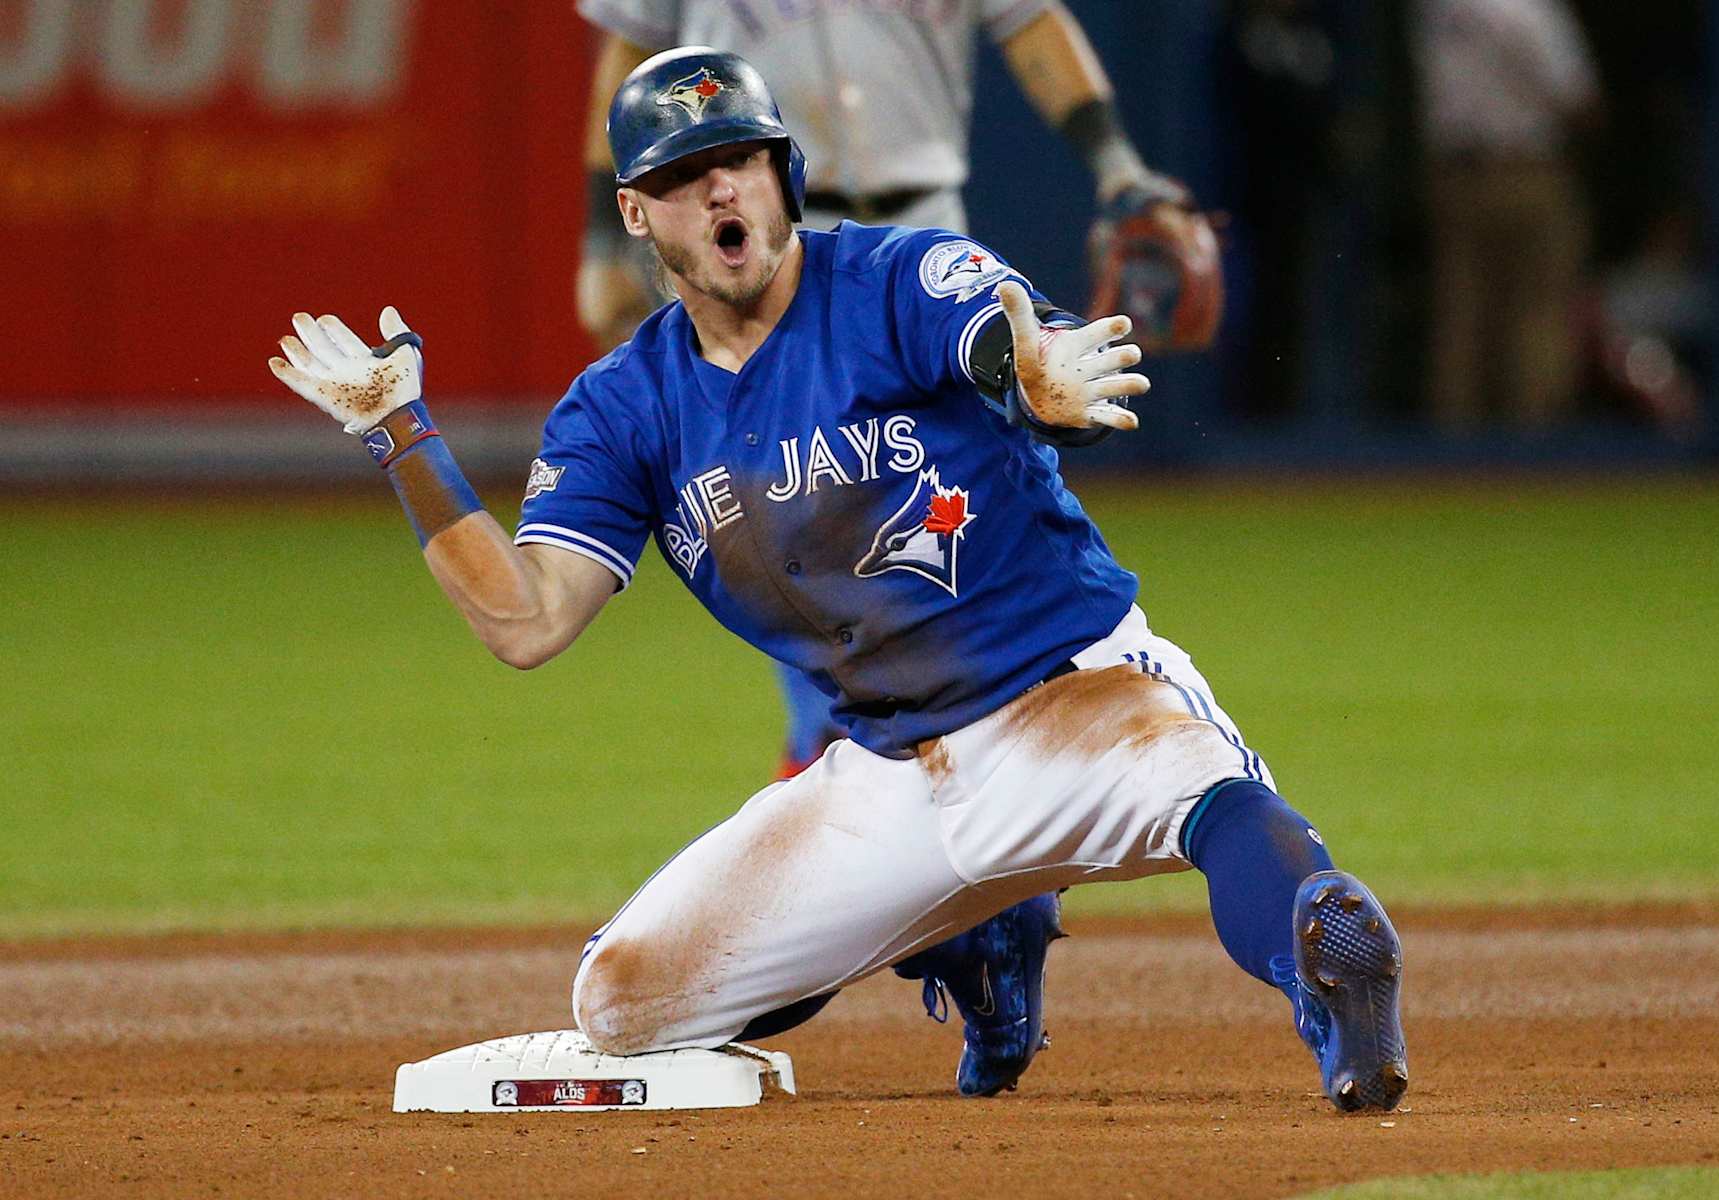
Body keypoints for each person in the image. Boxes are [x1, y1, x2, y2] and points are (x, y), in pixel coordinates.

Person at [269, 48, 1405, 1110]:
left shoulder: (892, 276)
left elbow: (1003, 333)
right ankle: (979, 941)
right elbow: (524, 622)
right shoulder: (624, 407)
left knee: (1220, 806)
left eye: (742, 163)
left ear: (784, 175)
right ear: (634, 214)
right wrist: (403, 441)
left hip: (1073, 698)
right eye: (684, 177)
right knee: (619, 1003)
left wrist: (1039, 369)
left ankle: (1337, 981)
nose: (723, 195)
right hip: (885, 776)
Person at [574, 0, 1221, 776]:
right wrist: (602, 239)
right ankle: (843, 762)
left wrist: (1117, 162)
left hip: (916, 240)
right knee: (808, 522)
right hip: (755, 247)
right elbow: (632, 60)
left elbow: (1031, 22)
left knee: (978, 518)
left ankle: (972, 751)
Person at [1415, 0, 1601, 432]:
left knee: (1462, 316)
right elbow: (1577, 97)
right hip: (1525, 169)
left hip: (1456, 172)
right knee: (1536, 314)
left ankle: (1451, 460)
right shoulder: (1529, 9)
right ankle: (1531, 452)